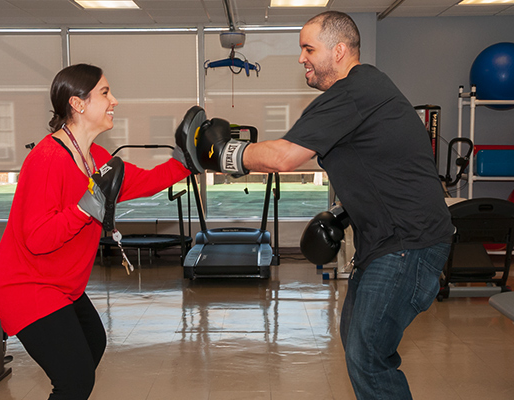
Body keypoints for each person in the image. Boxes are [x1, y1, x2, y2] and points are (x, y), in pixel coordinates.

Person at [175, 11, 454, 399]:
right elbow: (379, 166)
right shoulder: (364, 89)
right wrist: (343, 215)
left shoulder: (353, 93)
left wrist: (222, 153)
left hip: (408, 245)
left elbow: (283, 157)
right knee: (358, 343)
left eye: (309, 48)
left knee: (368, 352)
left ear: (339, 51)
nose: (302, 58)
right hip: (392, 242)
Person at [0, 63, 191, 399]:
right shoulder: (48, 158)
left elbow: (142, 182)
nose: (115, 101)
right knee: (75, 380)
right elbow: (37, 239)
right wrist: (84, 209)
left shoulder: (94, 156)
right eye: (105, 93)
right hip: (25, 285)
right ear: (78, 104)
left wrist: (187, 162)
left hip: (61, 283)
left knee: (92, 344)